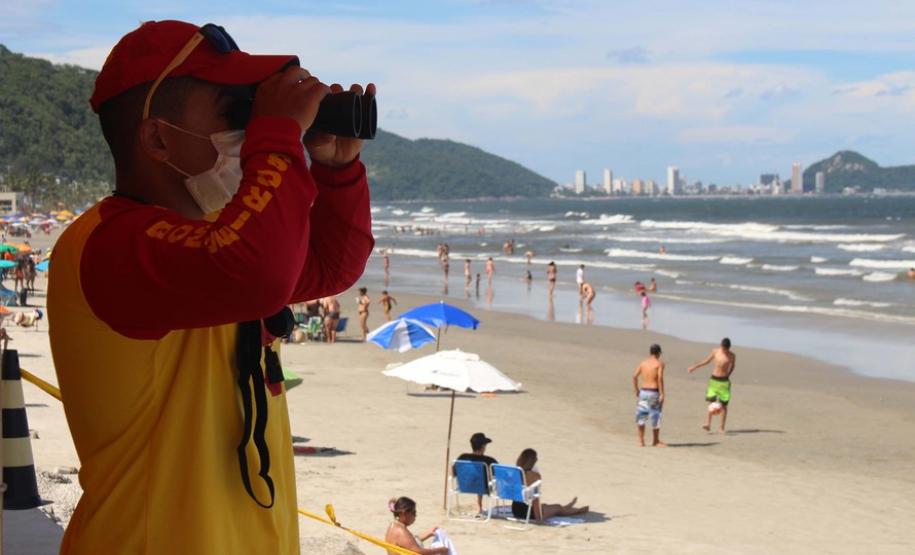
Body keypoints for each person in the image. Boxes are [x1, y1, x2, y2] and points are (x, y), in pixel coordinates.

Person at [46, 20, 375, 554]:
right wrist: (276, 135)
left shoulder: (216, 239)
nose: (247, 128)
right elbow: (262, 272)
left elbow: (327, 269)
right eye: (233, 112)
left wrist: (335, 170)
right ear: (157, 137)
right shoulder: (111, 245)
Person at [511, 448, 588, 522]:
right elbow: (535, 498)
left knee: (547, 506)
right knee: (558, 508)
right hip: (528, 513)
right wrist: (539, 518)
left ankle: (567, 507)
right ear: (533, 461)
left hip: (515, 510)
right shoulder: (535, 476)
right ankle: (577, 511)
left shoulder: (515, 473)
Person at [688, 338, 737, 432]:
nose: (723, 350)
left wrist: (729, 374)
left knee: (724, 405)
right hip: (714, 379)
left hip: (724, 381)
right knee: (711, 402)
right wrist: (694, 367)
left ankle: (721, 428)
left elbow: (733, 366)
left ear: (728, 348)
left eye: (725, 349)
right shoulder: (715, 351)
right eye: (722, 348)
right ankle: (708, 424)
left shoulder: (732, 356)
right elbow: (706, 361)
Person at [384, 497, 454, 555]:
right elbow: (417, 552)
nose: (415, 516)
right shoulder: (400, 531)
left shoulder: (394, 526)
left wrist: (428, 533)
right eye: (413, 513)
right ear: (404, 514)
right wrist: (439, 550)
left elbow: (408, 543)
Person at [456, 432, 498, 514]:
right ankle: (479, 505)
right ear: (483, 447)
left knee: (478, 478)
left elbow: (453, 473)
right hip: (483, 488)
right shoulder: (489, 461)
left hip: (464, 486)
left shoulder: (463, 457)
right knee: (483, 480)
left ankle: (479, 504)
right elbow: (500, 474)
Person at [633, 344, 666, 447]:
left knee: (641, 416)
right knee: (655, 416)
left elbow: (634, 376)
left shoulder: (643, 363)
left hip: (643, 392)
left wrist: (636, 390)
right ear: (658, 353)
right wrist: (662, 393)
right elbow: (659, 378)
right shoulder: (659, 364)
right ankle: (655, 441)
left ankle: (641, 441)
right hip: (653, 392)